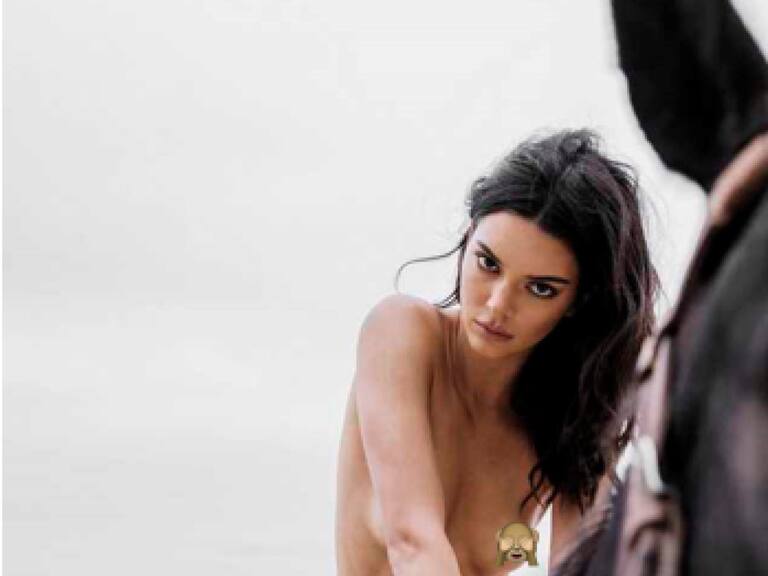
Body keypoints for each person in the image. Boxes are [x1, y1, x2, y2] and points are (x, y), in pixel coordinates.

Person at [335, 128, 660, 575]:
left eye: (540, 288)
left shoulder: (573, 411)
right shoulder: (402, 333)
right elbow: (412, 541)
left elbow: (581, 568)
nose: (496, 306)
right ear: (469, 237)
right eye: (488, 264)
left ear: (577, 301)